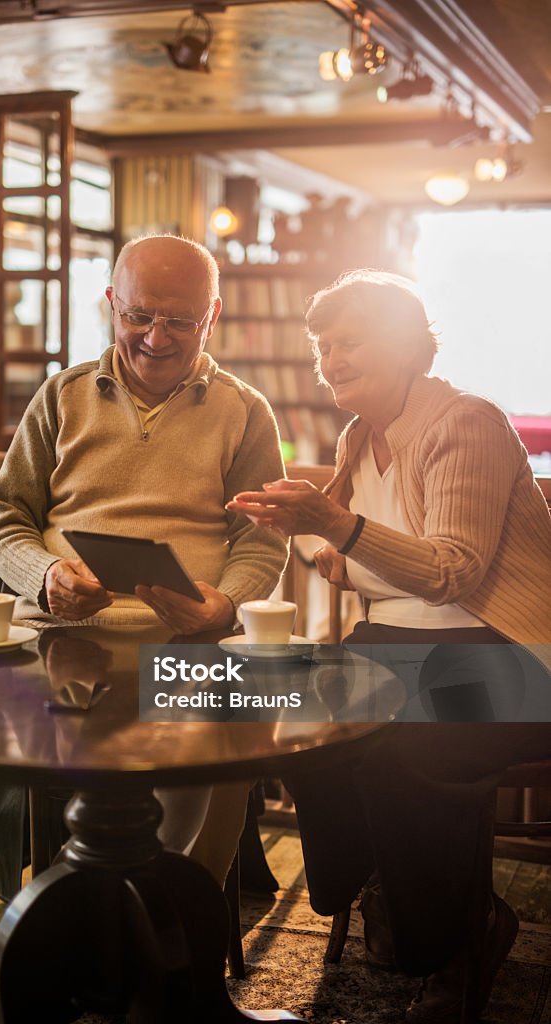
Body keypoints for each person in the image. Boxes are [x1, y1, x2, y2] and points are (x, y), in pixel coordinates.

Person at [0, 235, 288, 1013]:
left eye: (180, 321)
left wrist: (223, 604)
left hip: (183, 637)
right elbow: (6, 519)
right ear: (109, 302)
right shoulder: (60, 397)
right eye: (139, 315)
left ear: (213, 316)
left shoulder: (243, 410)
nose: (156, 339)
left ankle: (165, 942)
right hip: (52, 636)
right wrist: (46, 575)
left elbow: (263, 538)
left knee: (233, 725)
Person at [227, 269, 551, 1024]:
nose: (330, 359)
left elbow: (450, 571)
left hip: (513, 657)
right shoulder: (356, 436)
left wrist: (332, 525)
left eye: (349, 341)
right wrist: (308, 536)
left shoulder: (465, 421)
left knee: (401, 741)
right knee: (284, 711)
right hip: (402, 651)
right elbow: (358, 565)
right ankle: (381, 888)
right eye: (321, 347)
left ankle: (455, 936)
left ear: (407, 345)